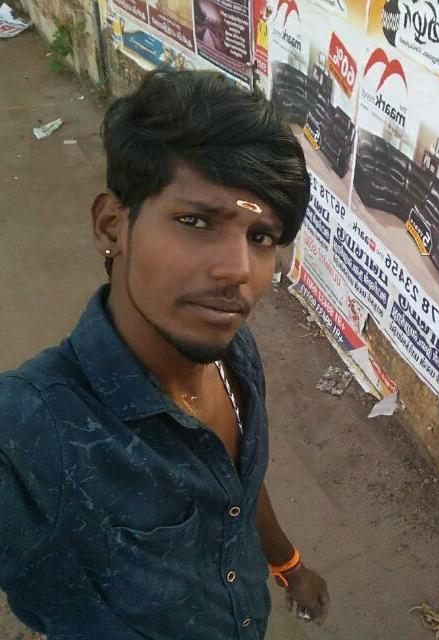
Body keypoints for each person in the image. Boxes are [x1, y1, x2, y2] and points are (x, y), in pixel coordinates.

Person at [0, 69, 329, 640]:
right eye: (195, 221)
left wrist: (287, 564)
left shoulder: (235, 355)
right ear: (112, 226)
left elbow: (237, 487)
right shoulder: (33, 432)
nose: (238, 270)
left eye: (260, 237)